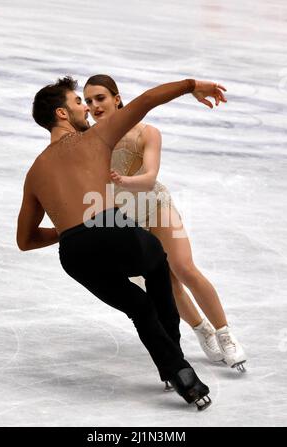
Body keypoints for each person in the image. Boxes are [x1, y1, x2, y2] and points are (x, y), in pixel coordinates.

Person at [16, 75, 226, 411]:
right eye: (77, 103)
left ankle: (178, 371)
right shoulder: (95, 138)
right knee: (158, 262)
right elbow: (146, 101)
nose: (85, 109)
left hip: (74, 253)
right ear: (61, 114)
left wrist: (68, 228)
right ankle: (177, 365)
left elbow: (24, 240)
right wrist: (191, 85)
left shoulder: (34, 172)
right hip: (112, 231)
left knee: (139, 308)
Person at [84, 75, 246, 372]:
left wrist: (125, 180)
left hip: (155, 205)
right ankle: (202, 330)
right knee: (166, 283)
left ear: (117, 98)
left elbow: (149, 177)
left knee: (183, 268)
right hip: (125, 217)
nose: (95, 105)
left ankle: (225, 333)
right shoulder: (88, 141)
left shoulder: (146, 133)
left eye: (101, 98)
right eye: (89, 101)